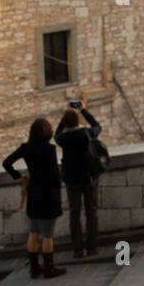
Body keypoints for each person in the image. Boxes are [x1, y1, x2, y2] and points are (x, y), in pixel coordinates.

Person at [2, 118, 66, 279]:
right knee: (48, 234)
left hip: (33, 194)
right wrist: (58, 189)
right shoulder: (49, 149)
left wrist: (19, 176)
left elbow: (6, 162)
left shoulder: (26, 148)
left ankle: (34, 268)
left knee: (34, 231)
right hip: (48, 195)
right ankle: (49, 269)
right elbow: (53, 174)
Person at [55, 100, 102, 258]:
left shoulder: (63, 139)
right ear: (77, 122)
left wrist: (65, 116)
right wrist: (83, 111)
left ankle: (78, 249)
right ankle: (92, 247)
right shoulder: (87, 134)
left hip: (72, 179)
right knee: (91, 211)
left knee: (74, 213)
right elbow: (97, 125)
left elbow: (56, 133)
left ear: (66, 123)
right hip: (89, 177)